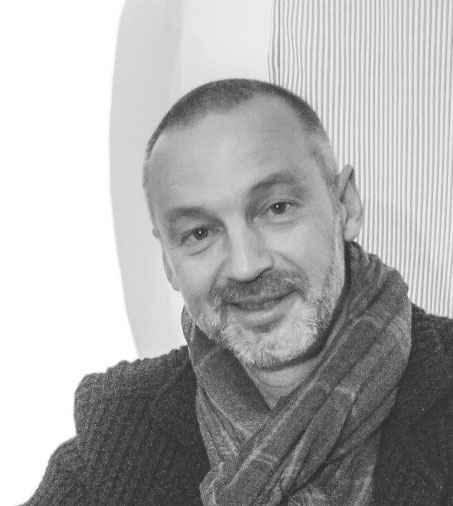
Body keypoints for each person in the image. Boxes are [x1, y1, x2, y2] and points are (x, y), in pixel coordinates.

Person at [23, 79, 453, 506]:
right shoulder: (121, 428)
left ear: (346, 206)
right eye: (199, 233)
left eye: (277, 209)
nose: (245, 266)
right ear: (168, 261)